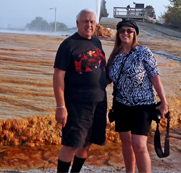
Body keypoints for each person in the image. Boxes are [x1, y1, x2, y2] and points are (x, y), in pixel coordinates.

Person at [107, 19, 168, 173]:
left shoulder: (143, 52)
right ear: (118, 34)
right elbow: (106, 79)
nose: (125, 33)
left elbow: (155, 77)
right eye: (122, 31)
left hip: (143, 104)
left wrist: (164, 102)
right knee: (126, 142)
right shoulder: (115, 55)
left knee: (139, 144)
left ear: (135, 34)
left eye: (129, 30)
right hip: (120, 104)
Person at [53, 9, 107, 173]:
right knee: (71, 144)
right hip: (77, 103)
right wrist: (61, 106)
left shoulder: (97, 42)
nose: (89, 25)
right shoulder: (68, 45)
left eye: (92, 22)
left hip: (99, 102)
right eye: (85, 21)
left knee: (87, 142)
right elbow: (58, 75)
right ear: (77, 23)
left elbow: (102, 69)